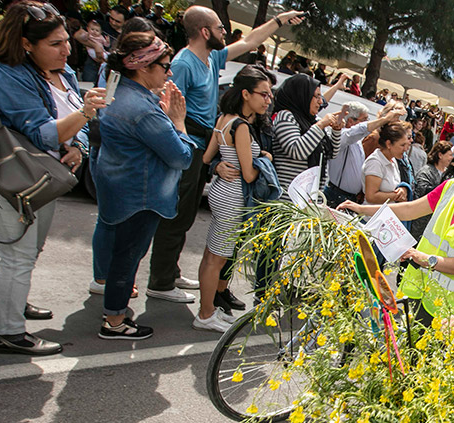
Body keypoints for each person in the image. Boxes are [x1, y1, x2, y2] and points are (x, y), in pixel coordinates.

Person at [0, 1, 107, 354]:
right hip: (6, 175)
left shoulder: (63, 71)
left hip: (41, 174)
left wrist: (78, 146)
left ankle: (11, 303)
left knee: (29, 250)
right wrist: (85, 114)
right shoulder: (6, 73)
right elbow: (43, 133)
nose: (66, 49)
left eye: (66, 40)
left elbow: (76, 124)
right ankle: (9, 332)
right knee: (18, 255)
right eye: (55, 44)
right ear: (26, 44)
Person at [144, 5, 304, 304]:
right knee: (176, 216)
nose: (225, 32)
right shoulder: (184, 63)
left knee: (186, 215)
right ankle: (161, 281)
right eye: (220, 28)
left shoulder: (211, 58)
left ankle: (170, 273)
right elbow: (165, 106)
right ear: (205, 32)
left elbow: (250, 41)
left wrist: (278, 20)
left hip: (202, 144)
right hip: (187, 141)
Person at [340, 124, 454, 324]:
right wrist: (361, 209)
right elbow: (410, 209)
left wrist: (425, 259)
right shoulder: (452, 187)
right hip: (424, 297)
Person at [92, 31, 194, 340]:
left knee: (121, 254)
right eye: (165, 66)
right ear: (142, 67)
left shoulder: (117, 92)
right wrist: (178, 121)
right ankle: (115, 321)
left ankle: (115, 310)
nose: (170, 73)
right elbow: (182, 157)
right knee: (128, 258)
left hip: (119, 189)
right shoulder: (143, 110)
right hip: (140, 196)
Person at [196, 66, 273, 332]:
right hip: (233, 197)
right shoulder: (240, 126)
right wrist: (264, 158)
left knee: (211, 255)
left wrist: (220, 165)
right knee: (216, 259)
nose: (267, 100)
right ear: (245, 94)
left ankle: (208, 308)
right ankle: (205, 314)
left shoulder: (224, 119)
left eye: (269, 95)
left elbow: (207, 157)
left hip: (221, 191)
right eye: (263, 94)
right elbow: (249, 174)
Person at [268, 73, 344, 191]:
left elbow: (331, 153)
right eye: (317, 96)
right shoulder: (286, 116)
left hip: (310, 195)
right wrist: (320, 126)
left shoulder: (314, 120)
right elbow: (296, 151)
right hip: (288, 196)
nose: (320, 101)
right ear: (302, 95)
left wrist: (336, 131)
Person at [322, 101, 402, 207]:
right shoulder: (343, 137)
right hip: (336, 195)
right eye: (364, 119)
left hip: (349, 197)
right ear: (351, 121)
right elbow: (360, 129)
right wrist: (384, 119)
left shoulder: (357, 140)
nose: (367, 123)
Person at [362, 120, 411, 205]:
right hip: (373, 212)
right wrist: (396, 196)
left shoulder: (393, 160)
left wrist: (402, 189)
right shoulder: (375, 163)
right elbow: (371, 197)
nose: (406, 149)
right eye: (402, 145)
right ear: (388, 144)